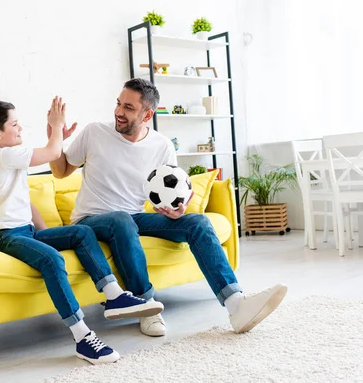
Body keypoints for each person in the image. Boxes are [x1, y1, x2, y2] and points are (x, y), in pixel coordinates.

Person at [49, 78, 288, 337]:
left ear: (147, 114)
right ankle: (147, 307)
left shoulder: (161, 146)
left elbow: (165, 194)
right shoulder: (94, 132)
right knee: (121, 220)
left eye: (128, 107)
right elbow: (61, 171)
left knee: (198, 223)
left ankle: (236, 304)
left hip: (134, 218)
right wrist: (55, 137)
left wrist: (176, 209)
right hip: (90, 220)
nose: (119, 111)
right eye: (118, 104)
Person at [0, 97, 164, 364]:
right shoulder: (3, 154)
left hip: (25, 233)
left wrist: (47, 235)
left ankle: (114, 296)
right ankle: (83, 338)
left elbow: (25, 204)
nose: (20, 129)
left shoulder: (10, 161)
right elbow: (52, 154)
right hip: (7, 236)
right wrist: (55, 127)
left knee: (80, 233)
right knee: (53, 259)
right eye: (14, 124)